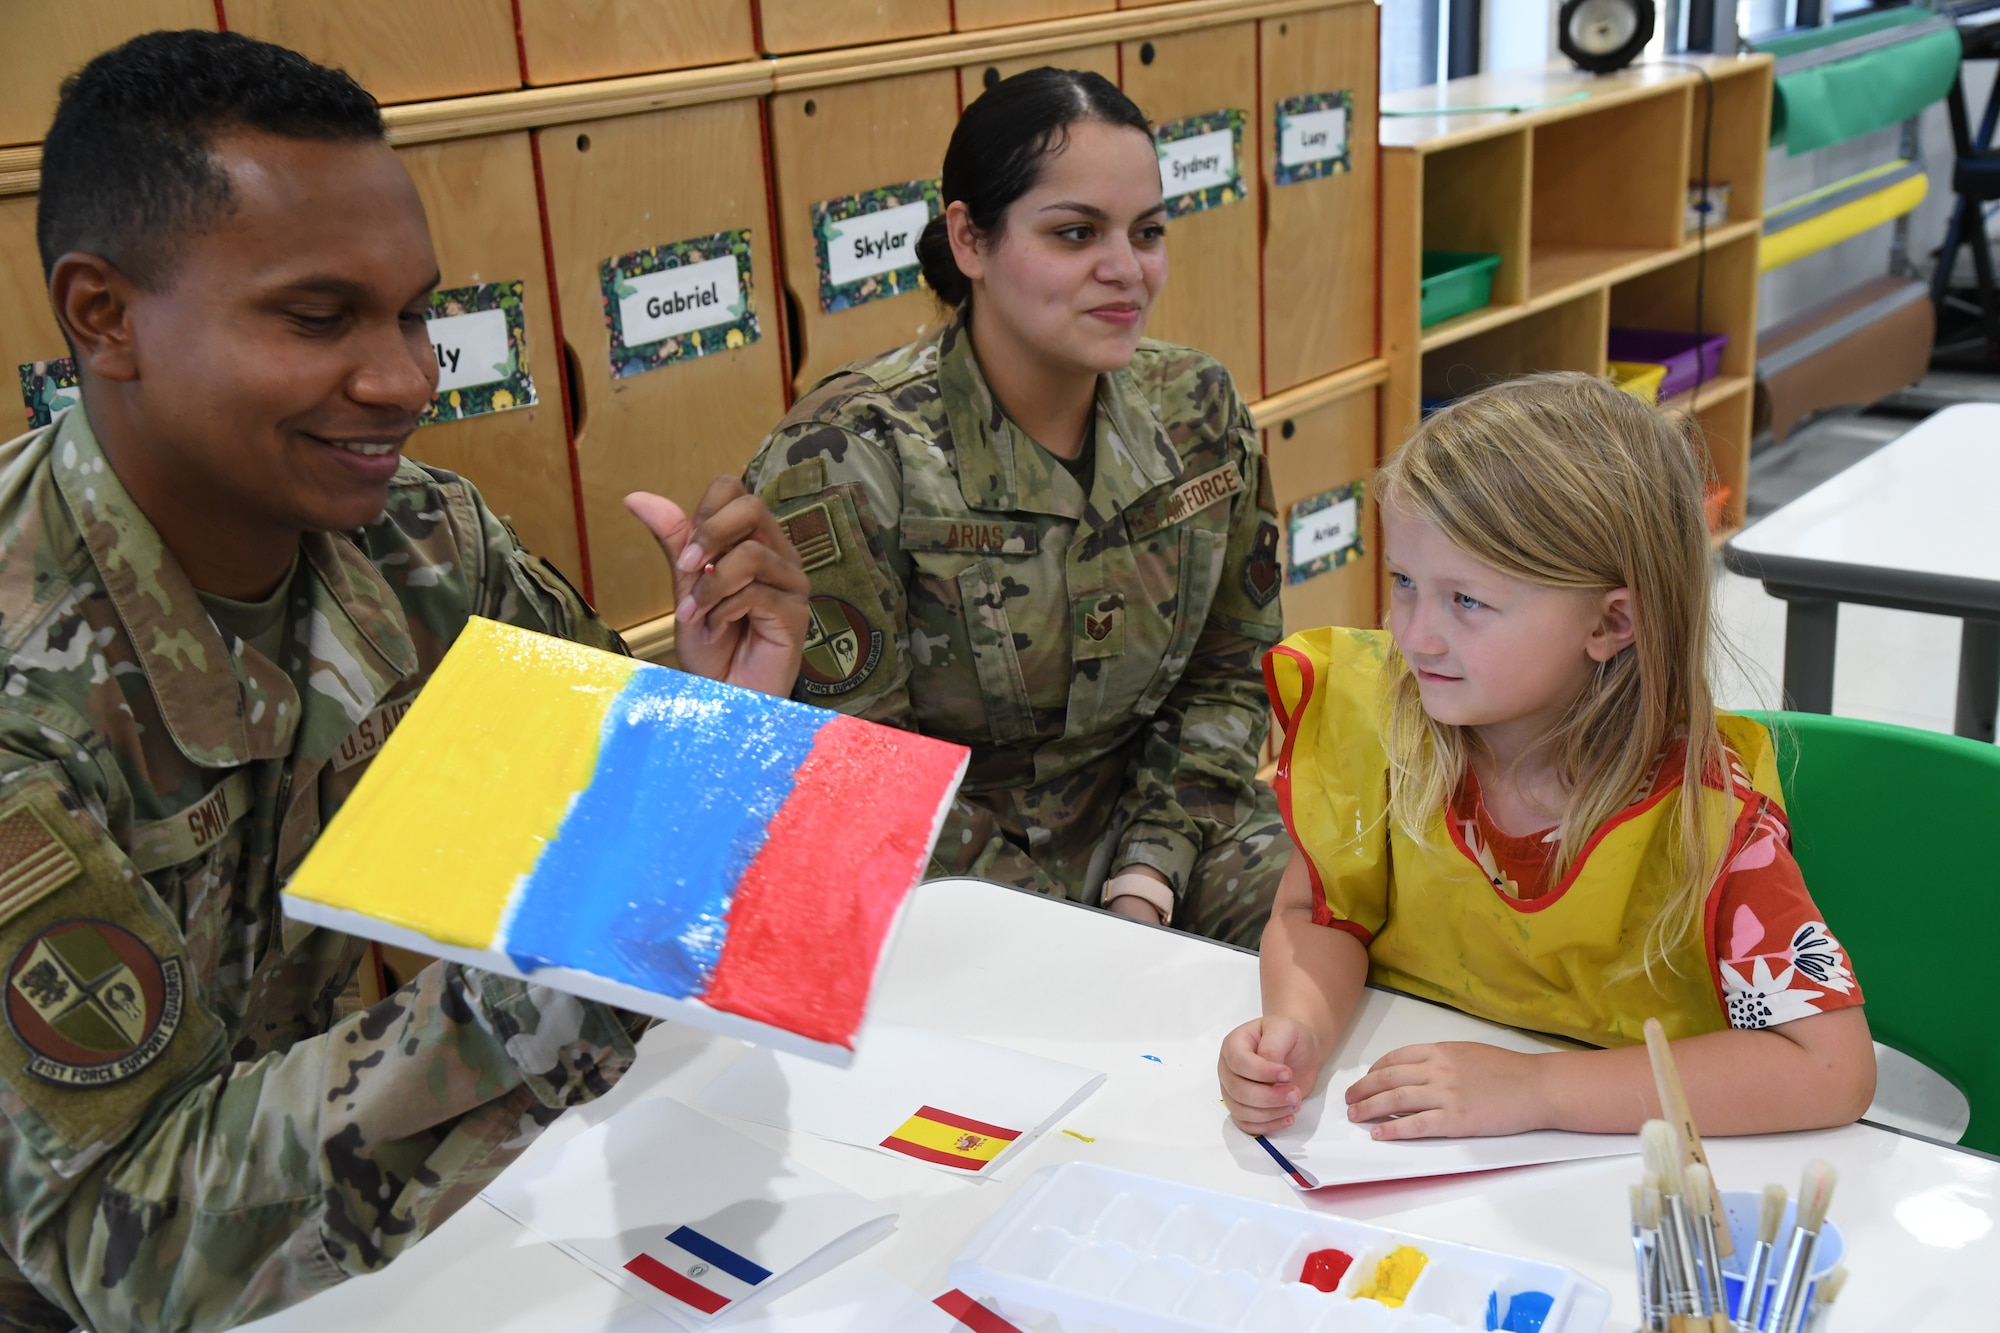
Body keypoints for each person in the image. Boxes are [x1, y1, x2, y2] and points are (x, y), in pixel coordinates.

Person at [0, 31, 807, 1332]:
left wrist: (712, 724)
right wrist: (588, 947)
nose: (404, 379)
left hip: (395, 1230)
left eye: (415, 311)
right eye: (320, 318)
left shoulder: (421, 538)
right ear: (104, 317)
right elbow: (124, 1235)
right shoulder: (21, 690)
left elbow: (638, 832)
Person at [1219, 373, 1876, 1140]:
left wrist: (1540, 1088)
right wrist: (1296, 1027)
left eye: (1467, 600)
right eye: (1404, 581)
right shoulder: (1379, 725)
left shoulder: (1704, 817)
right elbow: (1322, 911)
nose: (1416, 634)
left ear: (1610, 622)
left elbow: (1829, 1066)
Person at [740, 68, 1288, 945]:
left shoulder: (1197, 408)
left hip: (1158, 833)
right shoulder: (847, 459)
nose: (1126, 270)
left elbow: (1228, 671)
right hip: (940, 880)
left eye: (1147, 232)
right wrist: (1076, 935)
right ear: (970, 239)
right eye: (1076, 233)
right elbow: (862, 778)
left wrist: (1147, 874)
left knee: (1354, 945)